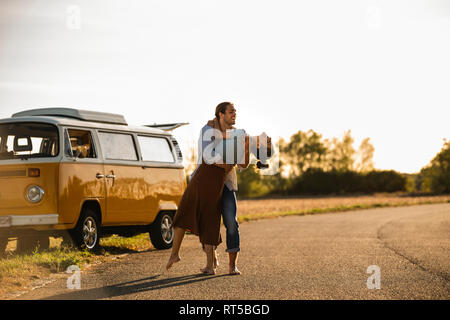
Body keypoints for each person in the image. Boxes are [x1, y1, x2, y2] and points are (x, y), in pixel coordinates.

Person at [166, 102, 249, 275]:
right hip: (204, 178)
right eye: (231, 111)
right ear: (221, 114)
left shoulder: (238, 134)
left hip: (225, 183)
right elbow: (208, 156)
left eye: (235, 111)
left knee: (229, 222)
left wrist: (246, 148)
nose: (235, 114)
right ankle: (206, 261)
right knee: (198, 217)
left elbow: (242, 163)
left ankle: (228, 265)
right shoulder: (208, 130)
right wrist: (227, 163)